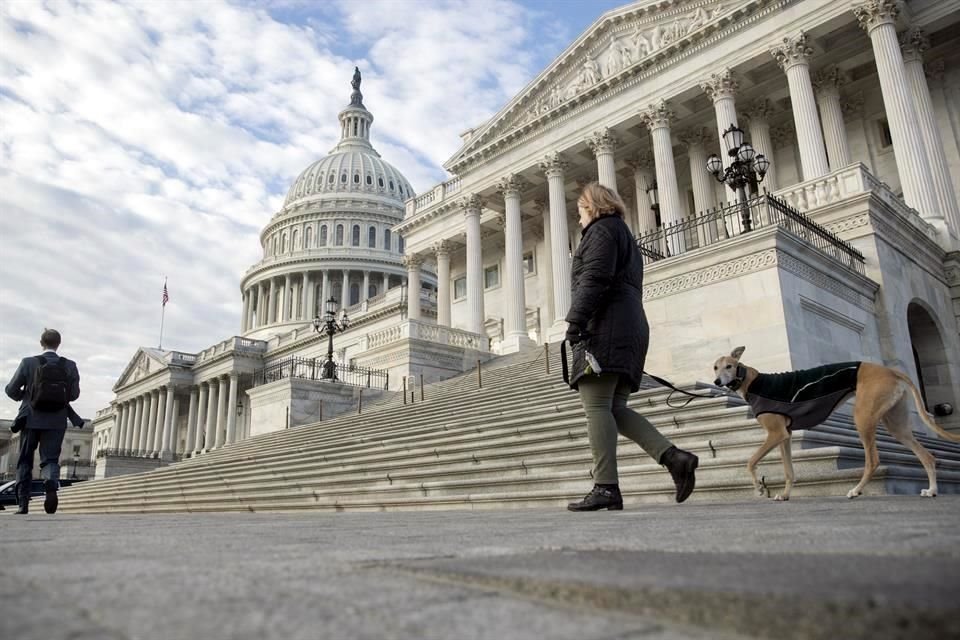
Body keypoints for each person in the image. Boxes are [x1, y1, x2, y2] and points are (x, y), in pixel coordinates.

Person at [565, 183, 698, 511]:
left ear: (592, 207)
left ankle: (606, 486)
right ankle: (674, 458)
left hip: (606, 327)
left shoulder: (600, 232)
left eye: (580, 211)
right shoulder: (623, 234)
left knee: (596, 405)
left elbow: (594, 278)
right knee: (615, 408)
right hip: (629, 326)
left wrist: (575, 321)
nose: (579, 218)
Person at [4, 328, 81, 514]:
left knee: (25, 461)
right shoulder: (69, 365)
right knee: (51, 459)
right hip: (57, 420)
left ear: (41, 343)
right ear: (59, 344)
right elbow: (74, 394)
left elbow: (11, 389)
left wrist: (27, 396)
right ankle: (51, 485)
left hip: (30, 418)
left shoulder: (28, 362)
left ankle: (23, 504)